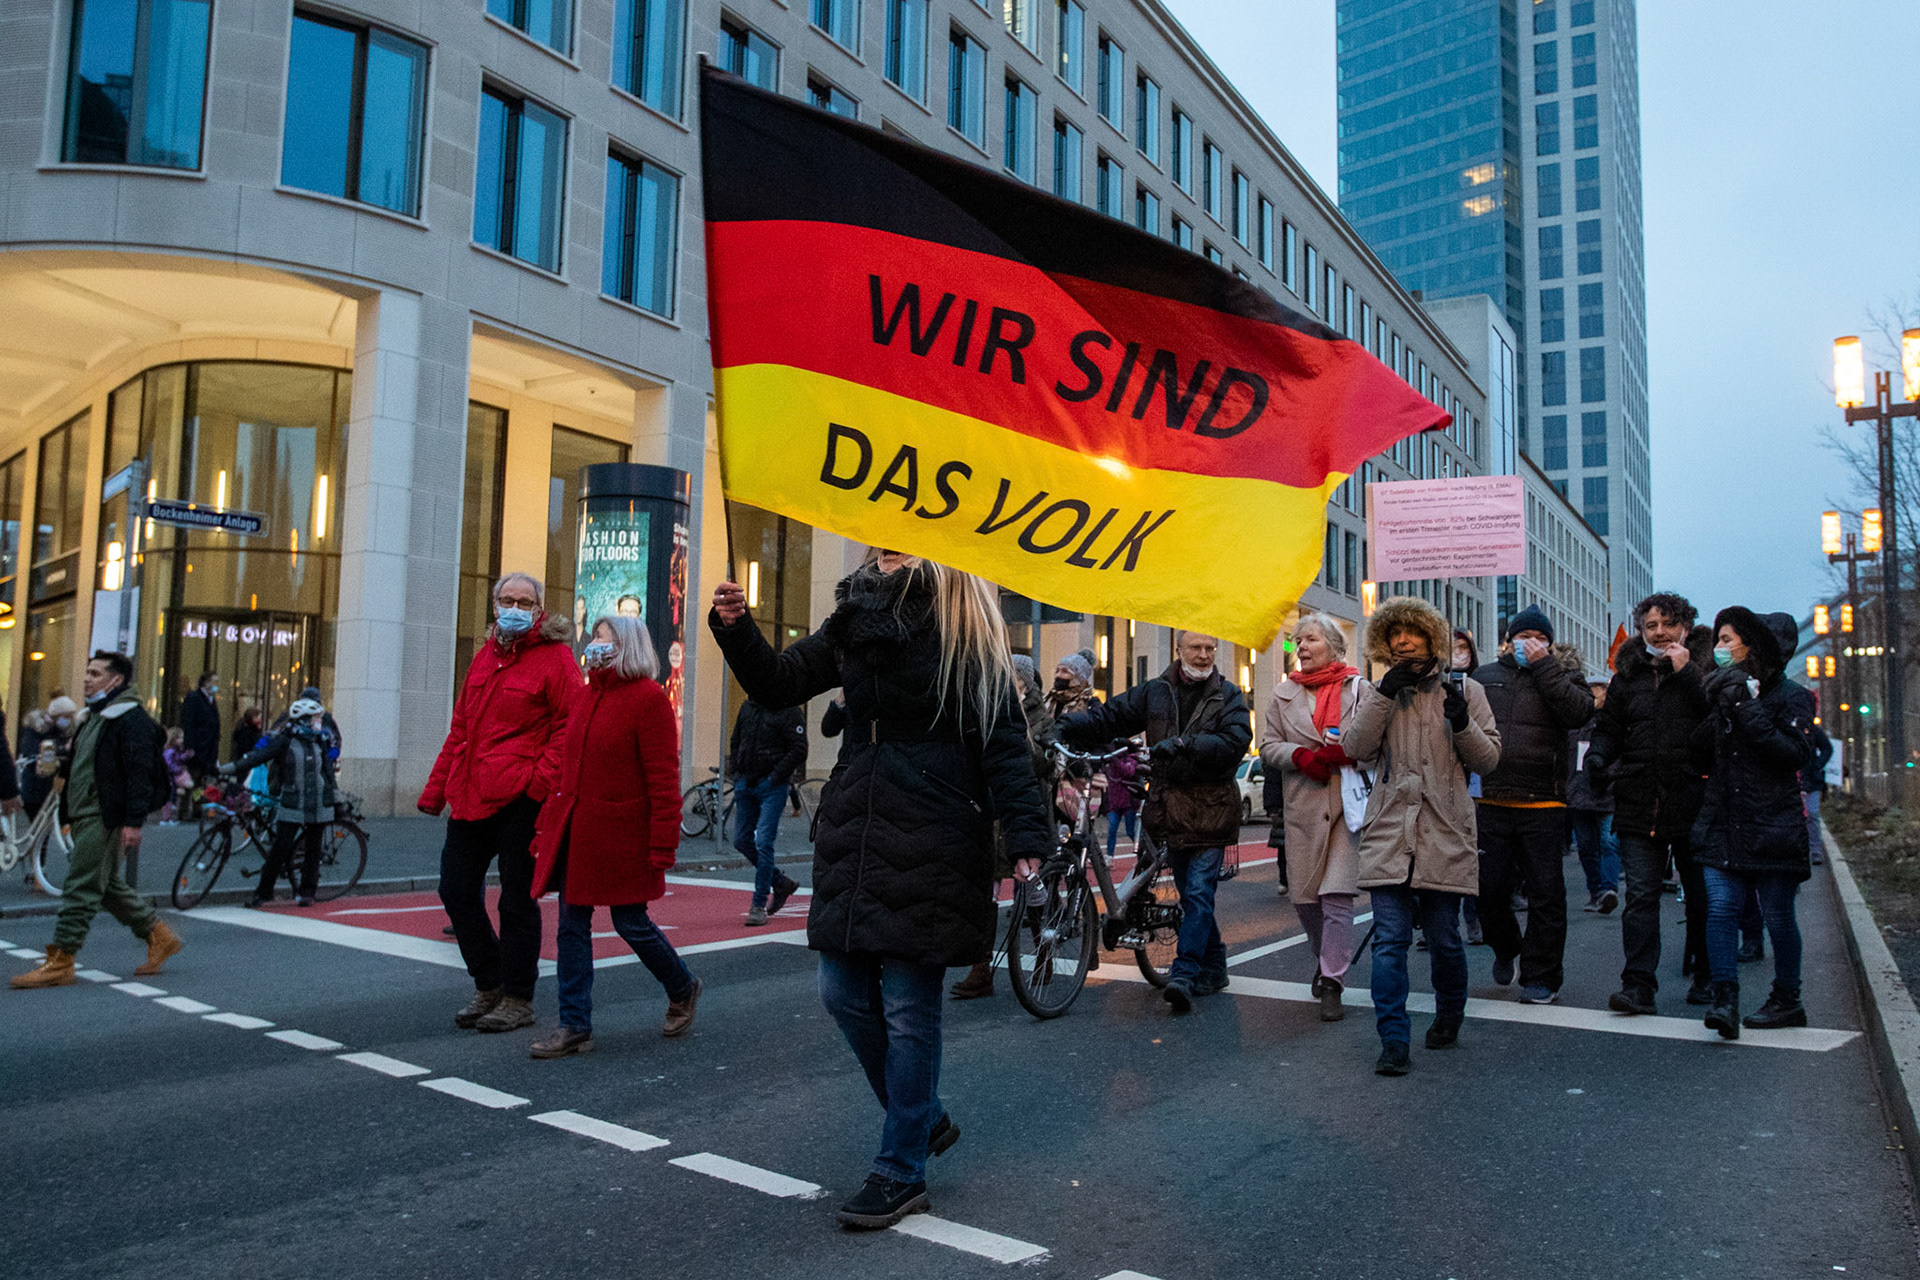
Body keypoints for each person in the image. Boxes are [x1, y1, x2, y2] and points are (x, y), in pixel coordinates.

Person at [710, 549, 1050, 1231]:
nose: (887, 545)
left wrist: (1026, 840)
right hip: (859, 825)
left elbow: (1005, 745)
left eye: (905, 535)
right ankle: (920, 1116)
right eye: (881, 537)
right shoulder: (854, 618)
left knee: (907, 1007)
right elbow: (779, 684)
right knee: (839, 991)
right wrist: (737, 627)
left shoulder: (965, 628)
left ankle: (901, 1171)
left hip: (934, 827)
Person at [1341, 597, 1500, 1076]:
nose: (1403, 640)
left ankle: (1451, 1011)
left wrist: (1462, 722)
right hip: (1390, 829)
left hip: (1444, 829)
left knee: (1444, 936)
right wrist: (1384, 695)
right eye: (1394, 634)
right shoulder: (1376, 690)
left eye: (1412, 631)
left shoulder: (1466, 690)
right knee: (1389, 938)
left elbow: (1489, 760)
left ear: (1431, 637)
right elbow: (1356, 749)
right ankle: (1393, 1038)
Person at [528, 615, 699, 1059]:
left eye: (604, 637)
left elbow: (663, 780)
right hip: (577, 835)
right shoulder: (585, 697)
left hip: (624, 836)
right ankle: (574, 1023)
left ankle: (682, 985)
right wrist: (546, 828)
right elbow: (568, 774)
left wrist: (663, 845)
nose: (594, 643)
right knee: (571, 926)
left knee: (631, 923)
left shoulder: (649, 701)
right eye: (596, 637)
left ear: (627, 646)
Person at [1058, 630, 1251, 1012]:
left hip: (1211, 809)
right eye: (1195, 647)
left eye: (1210, 648)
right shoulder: (1155, 691)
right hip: (1169, 809)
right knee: (1193, 894)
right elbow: (1110, 717)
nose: (1203, 655)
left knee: (1197, 892)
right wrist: (1066, 727)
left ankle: (1184, 973)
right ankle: (1215, 964)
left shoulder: (1228, 695)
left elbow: (1235, 742)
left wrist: (1184, 744)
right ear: (1179, 650)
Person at [421, 572, 579, 1035]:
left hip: (521, 800)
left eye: (525, 601)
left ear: (539, 609)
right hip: (471, 795)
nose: (515, 607)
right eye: (507, 599)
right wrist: (435, 792)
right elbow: (461, 730)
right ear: (494, 606)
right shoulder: (484, 658)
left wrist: (537, 783)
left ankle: (517, 997)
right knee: (455, 889)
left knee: (517, 901)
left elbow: (569, 727)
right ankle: (488, 982)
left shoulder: (557, 659)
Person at [11, 651, 181, 989]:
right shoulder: (95, 717)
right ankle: (158, 935)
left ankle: (61, 960)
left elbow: (138, 775)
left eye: (95, 673)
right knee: (104, 884)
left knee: (81, 885)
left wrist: (133, 822)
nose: (87, 678)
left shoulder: (128, 719)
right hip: (88, 813)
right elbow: (87, 767)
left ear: (116, 680)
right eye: (87, 672)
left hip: (107, 815)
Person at [1585, 592, 1714, 1016]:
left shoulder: (1705, 670)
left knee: (1700, 896)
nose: (1659, 633)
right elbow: (1609, 727)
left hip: (1692, 799)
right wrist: (1599, 756)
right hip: (1639, 799)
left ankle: (1707, 976)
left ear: (1685, 628)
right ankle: (1638, 985)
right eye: (1650, 626)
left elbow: (1717, 723)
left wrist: (1688, 674)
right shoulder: (1628, 675)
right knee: (1640, 896)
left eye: (1667, 624)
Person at [1691, 608, 1817, 1037]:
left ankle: (1787, 999)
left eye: (1728, 640)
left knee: (1778, 915)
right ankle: (1724, 999)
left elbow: (1793, 754)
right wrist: (1717, 709)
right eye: (1718, 641)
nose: (1720, 649)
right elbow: (1699, 752)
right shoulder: (1720, 690)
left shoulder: (1792, 696)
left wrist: (1746, 705)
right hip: (1725, 821)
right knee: (1722, 908)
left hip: (1772, 823)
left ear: (1751, 646)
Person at [1468, 606, 1593, 1006]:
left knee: (1546, 894)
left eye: (1540, 639)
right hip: (1490, 798)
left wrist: (1545, 669)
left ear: (1550, 645)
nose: (1530, 645)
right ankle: (1506, 947)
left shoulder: (1563, 677)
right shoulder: (1484, 677)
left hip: (1544, 801)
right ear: (1509, 641)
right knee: (1487, 890)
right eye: (1524, 638)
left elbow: (1578, 712)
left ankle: (1541, 976)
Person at [1259, 612, 1364, 1022]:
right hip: (1302, 804)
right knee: (1306, 900)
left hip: (1346, 806)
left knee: (1336, 896)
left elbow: (1376, 736)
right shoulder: (1283, 694)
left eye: (1311, 640)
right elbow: (1269, 746)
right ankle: (1326, 958)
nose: (1301, 647)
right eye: (1298, 641)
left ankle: (1333, 980)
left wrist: (1349, 749)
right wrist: (1300, 756)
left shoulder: (1359, 689)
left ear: (1335, 647)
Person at [225, 696, 339, 908]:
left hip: (318, 801)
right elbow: (259, 757)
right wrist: (231, 768)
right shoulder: (286, 740)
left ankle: (307, 892)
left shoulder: (319, 740)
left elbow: (327, 771)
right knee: (280, 848)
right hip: (292, 800)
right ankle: (263, 892)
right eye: (314, 718)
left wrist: (335, 796)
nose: (318, 721)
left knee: (313, 849)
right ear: (304, 719)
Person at [729, 695, 807, 927]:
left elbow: (799, 748)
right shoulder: (748, 705)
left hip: (772, 785)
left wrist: (775, 777)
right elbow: (736, 740)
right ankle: (780, 882)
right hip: (748, 781)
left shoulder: (788, 708)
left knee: (763, 841)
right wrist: (737, 772)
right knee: (742, 840)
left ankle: (758, 904)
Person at [1567, 679, 1621, 915]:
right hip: (1579, 794)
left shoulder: (1613, 724)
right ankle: (1596, 892)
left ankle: (1608, 889)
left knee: (1609, 843)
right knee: (1587, 847)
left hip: (1608, 793)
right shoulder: (1573, 724)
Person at [1450, 629, 1485, 946]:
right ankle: (1438, 922)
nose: (1458, 652)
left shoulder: (1480, 686)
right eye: (1452, 647)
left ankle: (1473, 919)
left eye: (1463, 647)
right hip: (1439, 783)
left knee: (1470, 854)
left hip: (1474, 785)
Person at [19, 696, 77, 820]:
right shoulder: (36, 729)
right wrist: (62, 749)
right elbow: (32, 751)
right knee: (38, 826)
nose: (69, 720)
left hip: (55, 787)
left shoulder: (65, 730)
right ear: (56, 715)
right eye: (66, 716)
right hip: (36, 788)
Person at [179, 671, 220, 786]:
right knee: (194, 777)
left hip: (209, 749)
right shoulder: (194, 698)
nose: (216, 685)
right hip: (199, 746)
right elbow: (188, 723)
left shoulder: (211, 700)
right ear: (206, 683)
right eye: (214, 682)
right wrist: (190, 746)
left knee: (204, 779)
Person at [1803, 723, 1834, 866]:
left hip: (1811, 780)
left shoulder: (1813, 729)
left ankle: (1815, 849)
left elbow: (1827, 748)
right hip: (1793, 779)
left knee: (1812, 814)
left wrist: (1816, 766)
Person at [1048, 651, 1100, 721]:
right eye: (1057, 671)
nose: (1058, 675)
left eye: (1065, 671)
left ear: (1078, 678)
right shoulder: (1051, 700)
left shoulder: (1091, 705)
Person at [161, 727, 194, 825]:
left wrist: (185, 756)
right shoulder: (171, 751)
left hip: (172, 778)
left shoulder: (175, 750)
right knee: (170, 798)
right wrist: (179, 770)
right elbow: (169, 764)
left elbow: (177, 760)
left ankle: (170, 818)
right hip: (170, 778)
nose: (182, 740)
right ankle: (166, 818)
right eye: (180, 738)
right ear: (173, 739)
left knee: (173, 797)